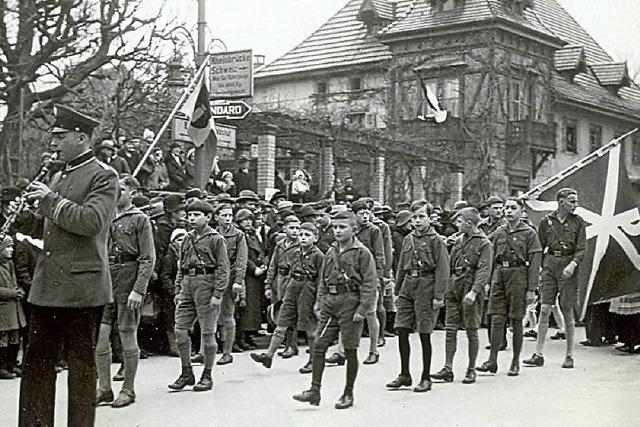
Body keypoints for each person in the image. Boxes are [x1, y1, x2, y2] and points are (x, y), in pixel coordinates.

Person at [19, 104, 119, 427]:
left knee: (81, 369)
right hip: (48, 286)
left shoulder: (104, 176)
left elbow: (90, 222)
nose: (53, 143)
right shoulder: (58, 175)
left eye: (60, 137)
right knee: (37, 365)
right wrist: (24, 220)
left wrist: (49, 201)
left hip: (82, 289)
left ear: (82, 137)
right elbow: (52, 229)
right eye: (53, 136)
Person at [292, 211, 377, 409]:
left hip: (350, 303)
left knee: (349, 349)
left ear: (353, 230)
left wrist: (363, 309)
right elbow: (323, 278)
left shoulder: (361, 252)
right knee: (319, 345)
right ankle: (314, 391)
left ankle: (348, 393)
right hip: (330, 302)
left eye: (342, 227)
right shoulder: (331, 251)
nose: (337, 231)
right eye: (335, 227)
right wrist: (320, 302)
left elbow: (369, 282)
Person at [95, 176, 155, 408]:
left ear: (132, 192)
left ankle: (128, 389)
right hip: (106, 278)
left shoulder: (140, 220)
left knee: (127, 333)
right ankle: (104, 388)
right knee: (100, 339)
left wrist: (138, 290)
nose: (116, 194)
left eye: (121, 190)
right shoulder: (106, 216)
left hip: (129, 277)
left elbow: (148, 258)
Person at [386, 200, 449, 393]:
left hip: (427, 285)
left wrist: (438, 295)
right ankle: (405, 374)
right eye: (414, 217)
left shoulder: (436, 240)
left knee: (424, 332)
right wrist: (397, 291)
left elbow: (443, 269)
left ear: (430, 218)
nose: (417, 221)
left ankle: (425, 377)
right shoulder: (408, 239)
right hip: (408, 286)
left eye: (421, 216)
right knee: (402, 329)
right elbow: (401, 267)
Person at [168, 200, 230, 392]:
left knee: (207, 333)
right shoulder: (187, 239)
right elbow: (181, 265)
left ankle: (207, 375)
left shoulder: (216, 239)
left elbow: (223, 268)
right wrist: (178, 289)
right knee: (180, 330)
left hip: (207, 283)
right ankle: (186, 372)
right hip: (188, 283)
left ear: (208, 218)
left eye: (196, 215)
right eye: (190, 215)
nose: (191, 219)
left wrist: (218, 293)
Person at [477, 197, 542, 376]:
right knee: (496, 319)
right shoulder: (499, 231)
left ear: (521, 211)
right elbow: (489, 254)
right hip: (500, 275)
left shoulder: (529, 233)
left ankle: (515, 362)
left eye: (513, 208)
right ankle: (492, 360)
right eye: (506, 208)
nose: (508, 211)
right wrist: (488, 281)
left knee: (516, 320)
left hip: (518, 275)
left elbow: (535, 262)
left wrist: (531, 289)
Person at [524, 188, 585, 369]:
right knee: (544, 308)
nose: (576, 205)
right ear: (561, 202)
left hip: (569, 265)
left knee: (567, 310)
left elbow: (582, 248)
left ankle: (569, 356)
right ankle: (538, 354)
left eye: (576, 201)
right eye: (572, 201)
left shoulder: (579, 222)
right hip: (551, 264)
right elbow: (539, 246)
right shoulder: (546, 222)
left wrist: (573, 264)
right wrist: (543, 267)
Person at [251, 222, 324, 373]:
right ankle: (268, 356)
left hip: (308, 288)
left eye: (307, 235)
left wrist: (318, 300)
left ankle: (313, 361)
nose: (302, 238)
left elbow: (321, 280)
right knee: (282, 321)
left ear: (315, 238)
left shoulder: (318, 256)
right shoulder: (296, 252)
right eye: (301, 235)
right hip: (292, 286)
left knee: (310, 326)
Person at [431, 208, 492, 385]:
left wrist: (474, 291)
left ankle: (471, 369)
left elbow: (484, 269)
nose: (456, 225)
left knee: (472, 330)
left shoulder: (484, 243)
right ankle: (448, 368)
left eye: (459, 221)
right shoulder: (458, 241)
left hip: (471, 286)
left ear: (469, 223)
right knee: (450, 329)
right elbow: (450, 265)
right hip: (455, 286)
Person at [264, 215, 301, 358]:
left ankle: (292, 346)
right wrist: (268, 285)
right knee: (279, 311)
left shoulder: (300, 245)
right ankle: (286, 343)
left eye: (297, 228)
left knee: (291, 313)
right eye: (292, 228)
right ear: (284, 229)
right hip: (279, 281)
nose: (295, 231)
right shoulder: (280, 245)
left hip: (293, 281)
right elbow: (272, 265)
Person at [215, 204, 248, 365]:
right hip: (213, 278)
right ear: (216, 217)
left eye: (230, 215)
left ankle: (227, 352)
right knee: (207, 315)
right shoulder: (211, 234)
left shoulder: (238, 235)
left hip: (230, 279)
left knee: (227, 316)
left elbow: (241, 260)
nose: (228, 219)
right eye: (224, 215)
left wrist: (238, 281)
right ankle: (204, 350)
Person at [236, 208, 267, 351]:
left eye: (250, 219)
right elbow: (243, 256)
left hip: (256, 275)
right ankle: (241, 337)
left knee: (253, 307)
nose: (248, 222)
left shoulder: (253, 234)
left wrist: (263, 263)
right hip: (247, 274)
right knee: (245, 307)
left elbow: (260, 251)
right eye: (244, 220)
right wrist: (254, 268)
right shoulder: (241, 235)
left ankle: (248, 336)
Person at [0, 235, 26, 380]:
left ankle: (11, 364)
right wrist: (12, 293)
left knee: (14, 338)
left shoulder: (10, 265)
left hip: (14, 308)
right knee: (3, 338)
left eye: (12, 247)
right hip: (4, 308)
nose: (11, 250)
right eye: (8, 247)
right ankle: (2, 366)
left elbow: (14, 281)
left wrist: (18, 289)